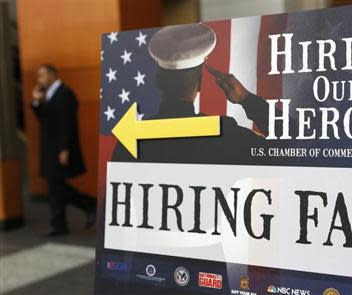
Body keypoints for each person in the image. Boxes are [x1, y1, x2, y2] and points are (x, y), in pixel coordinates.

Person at [112, 24, 293, 164]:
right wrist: (247, 100)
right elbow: (294, 150)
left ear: (158, 82)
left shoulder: (131, 141)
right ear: (200, 83)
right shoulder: (223, 136)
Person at [31, 64, 96, 237]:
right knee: (54, 186)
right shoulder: (49, 94)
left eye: (41, 75)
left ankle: (88, 204)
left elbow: (68, 123)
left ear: (52, 75)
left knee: (54, 185)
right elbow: (44, 120)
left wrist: (64, 148)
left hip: (59, 148)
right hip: (50, 148)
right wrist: (37, 101)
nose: (39, 80)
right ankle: (61, 223)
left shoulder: (65, 93)